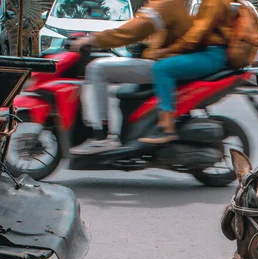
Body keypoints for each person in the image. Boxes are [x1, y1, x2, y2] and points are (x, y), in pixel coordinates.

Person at [68, 0, 192, 155]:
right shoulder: (167, 4)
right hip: (163, 60)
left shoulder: (167, 3)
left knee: (97, 68)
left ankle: (100, 135)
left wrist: (93, 40)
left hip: (162, 64)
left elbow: (134, 30)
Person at [138, 0, 235, 144]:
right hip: (209, 52)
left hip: (212, 55)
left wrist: (166, 51)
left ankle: (166, 126)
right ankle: (179, 115)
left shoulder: (213, 2)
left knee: (163, 68)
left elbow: (195, 35)